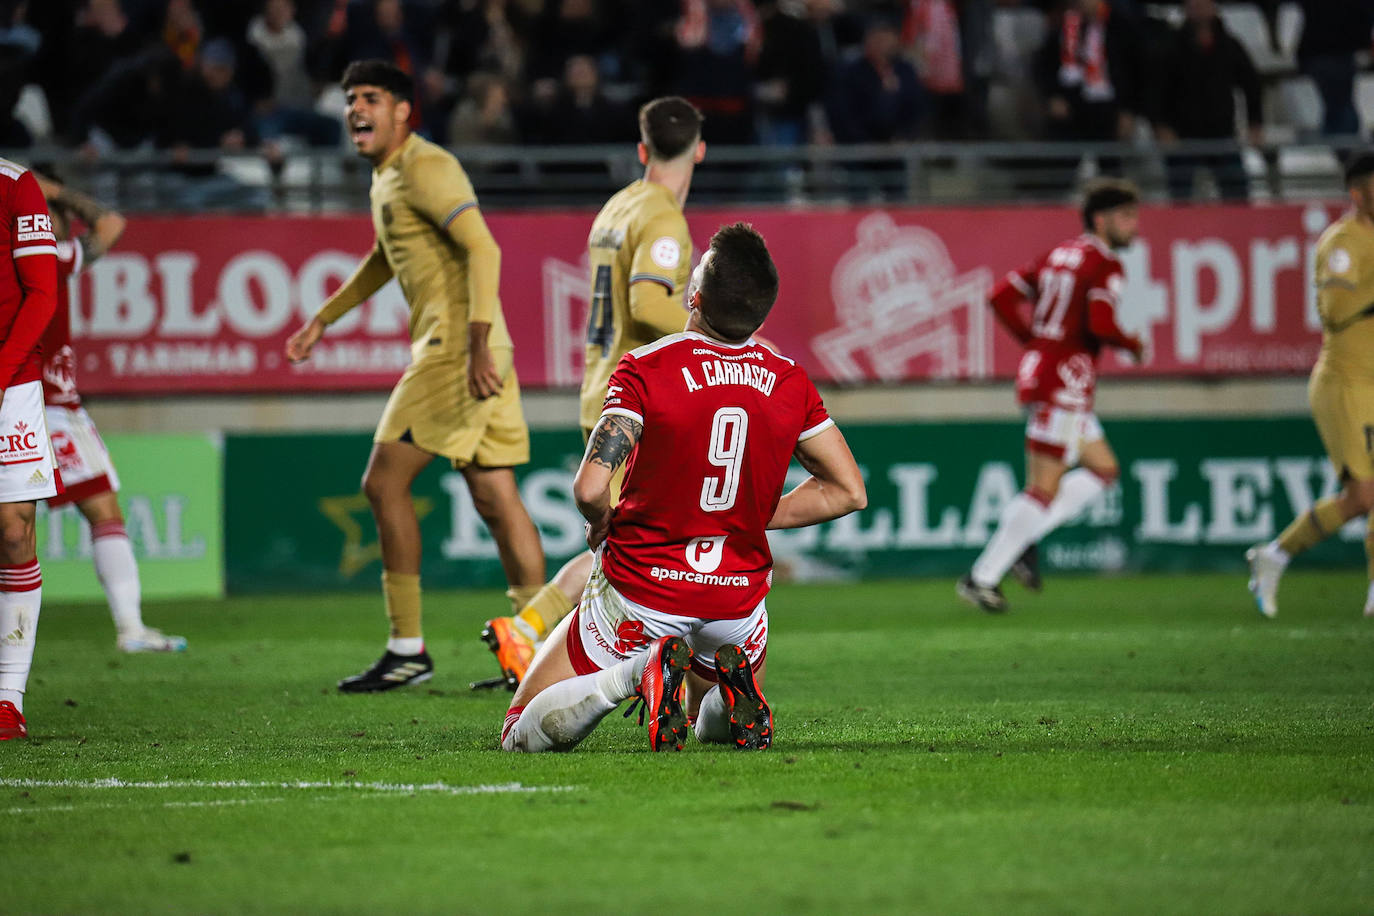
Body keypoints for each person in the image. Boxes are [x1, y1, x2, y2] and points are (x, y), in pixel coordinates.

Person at [500, 223, 867, 753]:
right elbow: (849, 491)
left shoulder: (647, 367)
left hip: (643, 589)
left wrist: (600, 521)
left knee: (517, 734)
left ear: (694, 295)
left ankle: (634, 674)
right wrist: (750, 513)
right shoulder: (790, 380)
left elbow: (589, 487)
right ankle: (728, 696)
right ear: (761, 316)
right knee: (704, 714)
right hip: (736, 602)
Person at [285, 59, 544, 692]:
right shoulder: (388, 176)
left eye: (371, 97)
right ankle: (537, 656)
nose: (356, 108)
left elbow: (484, 246)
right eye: (351, 98)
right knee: (496, 496)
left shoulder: (427, 166)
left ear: (403, 110)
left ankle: (407, 650)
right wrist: (323, 319)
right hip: (478, 346)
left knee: (382, 483)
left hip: (459, 349)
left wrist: (476, 344)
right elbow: (386, 257)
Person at [480, 96, 704, 689]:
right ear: (700, 150)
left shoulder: (617, 206)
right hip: (637, 403)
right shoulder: (662, 217)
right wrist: (717, 338)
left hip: (602, 388)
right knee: (644, 549)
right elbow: (649, 305)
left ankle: (530, 631)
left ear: (642, 149)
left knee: (626, 544)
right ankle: (538, 636)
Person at [957, 179, 1145, 613]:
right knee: (1043, 489)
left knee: (1103, 469)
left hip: (1048, 372)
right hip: (1065, 381)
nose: (1133, 225)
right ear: (1101, 220)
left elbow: (1000, 297)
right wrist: (1132, 343)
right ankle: (982, 577)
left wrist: (1036, 343)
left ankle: (1026, 536)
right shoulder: (1105, 264)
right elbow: (1100, 323)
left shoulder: (1058, 254)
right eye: (1125, 217)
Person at [35, 174, 186, 654]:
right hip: (50, 407)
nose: (62, 222)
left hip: (24, 404)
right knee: (103, 509)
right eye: (55, 215)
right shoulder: (50, 256)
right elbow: (111, 224)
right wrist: (56, 191)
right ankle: (131, 628)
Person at [1248, 152, 1374, 618]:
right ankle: (1276, 555)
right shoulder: (1343, 243)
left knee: (1369, 497)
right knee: (1364, 497)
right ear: (1358, 193)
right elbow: (1334, 312)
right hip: (1346, 383)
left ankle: (1371, 589)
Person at [0, 159, 59, 740]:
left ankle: (8, 698)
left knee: (14, 530)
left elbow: (42, 293)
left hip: (10, 380)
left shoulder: (16, 185)